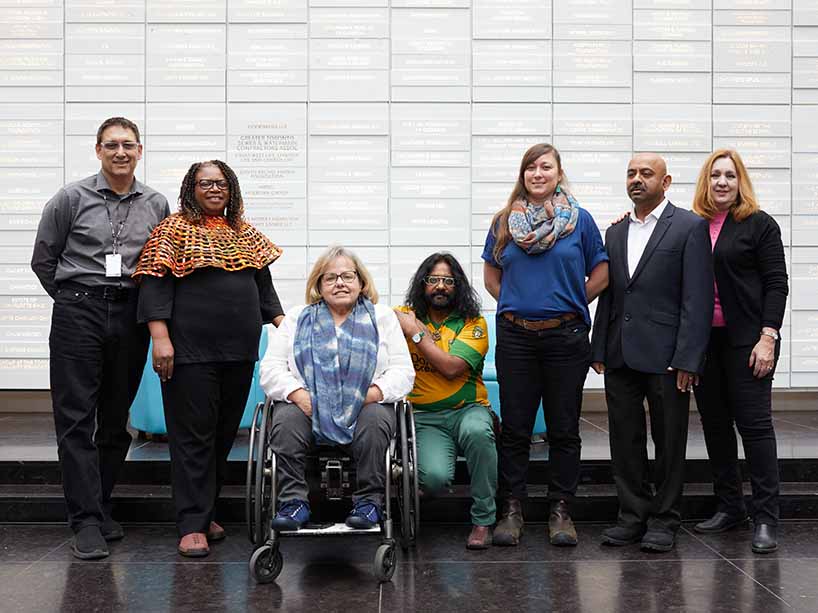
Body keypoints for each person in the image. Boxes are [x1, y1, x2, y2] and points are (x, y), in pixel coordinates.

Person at [30, 117, 170, 559]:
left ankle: (101, 504)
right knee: (76, 418)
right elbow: (44, 260)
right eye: (111, 145)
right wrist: (75, 298)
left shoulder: (157, 203)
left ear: (140, 150)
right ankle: (85, 521)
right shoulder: (71, 198)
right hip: (79, 309)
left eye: (128, 145)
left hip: (130, 312)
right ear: (98, 150)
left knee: (114, 419)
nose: (120, 152)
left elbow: (161, 264)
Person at [133, 160, 284, 557]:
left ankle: (205, 512)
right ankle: (190, 523)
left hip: (239, 351)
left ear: (231, 188)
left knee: (221, 436)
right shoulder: (173, 229)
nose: (214, 189)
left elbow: (265, 292)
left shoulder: (246, 233)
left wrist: (293, 331)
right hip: (189, 352)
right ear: (191, 188)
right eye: (205, 183)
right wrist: (160, 337)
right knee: (191, 437)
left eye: (221, 183)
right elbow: (154, 285)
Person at [482, 143, 609, 547]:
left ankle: (560, 511)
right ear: (523, 175)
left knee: (563, 427)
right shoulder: (504, 222)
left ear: (558, 173)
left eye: (545, 167)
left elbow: (602, 272)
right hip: (517, 337)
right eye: (531, 168)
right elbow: (491, 276)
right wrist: (518, 304)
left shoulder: (581, 221)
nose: (538, 174)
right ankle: (512, 509)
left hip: (566, 337)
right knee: (516, 428)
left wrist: (571, 301)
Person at [591, 153, 714, 553]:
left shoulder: (690, 227)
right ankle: (632, 516)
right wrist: (599, 348)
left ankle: (664, 519)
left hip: (668, 358)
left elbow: (697, 298)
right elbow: (610, 296)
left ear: (666, 181)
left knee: (669, 440)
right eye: (631, 173)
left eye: (647, 173)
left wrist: (689, 358)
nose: (637, 179)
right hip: (621, 354)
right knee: (624, 441)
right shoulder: (615, 232)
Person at [259, 246, 414, 530]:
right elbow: (270, 370)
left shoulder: (382, 317)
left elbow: (403, 372)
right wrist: (298, 395)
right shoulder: (296, 318)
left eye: (347, 276)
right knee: (285, 420)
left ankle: (369, 503)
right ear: (318, 285)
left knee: (376, 420)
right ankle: (293, 503)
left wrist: (373, 394)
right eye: (330, 278)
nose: (339, 283)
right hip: (307, 406)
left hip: (366, 406)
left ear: (361, 282)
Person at [690, 150, 788, 554]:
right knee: (714, 426)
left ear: (740, 181)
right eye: (715, 175)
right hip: (704, 344)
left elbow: (776, 283)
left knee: (755, 427)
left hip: (749, 341)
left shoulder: (759, 224)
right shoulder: (693, 227)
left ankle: (766, 517)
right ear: (705, 181)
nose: (722, 182)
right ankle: (730, 506)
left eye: (730, 175)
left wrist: (769, 336)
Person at [395, 252, 497, 550]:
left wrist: (416, 335)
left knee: (479, 433)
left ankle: (483, 520)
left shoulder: (473, 323)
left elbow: (451, 367)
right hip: (424, 417)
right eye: (434, 280)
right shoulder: (402, 314)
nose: (440, 286)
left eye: (448, 281)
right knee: (436, 478)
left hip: (468, 410)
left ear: (459, 286)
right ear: (422, 283)